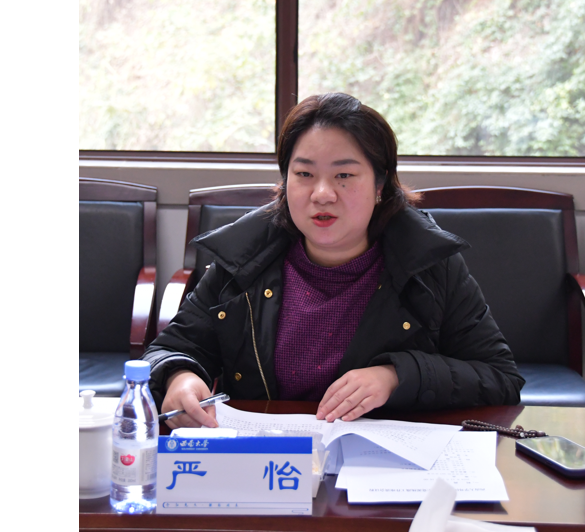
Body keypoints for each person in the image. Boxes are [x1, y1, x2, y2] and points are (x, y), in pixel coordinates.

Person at [143, 92, 524, 429]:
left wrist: (396, 376)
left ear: (380, 185)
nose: (322, 193)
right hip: (266, 463)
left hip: (377, 465)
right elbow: (171, 349)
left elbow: (499, 378)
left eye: (344, 174)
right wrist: (179, 377)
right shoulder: (244, 258)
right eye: (304, 173)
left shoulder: (428, 263)